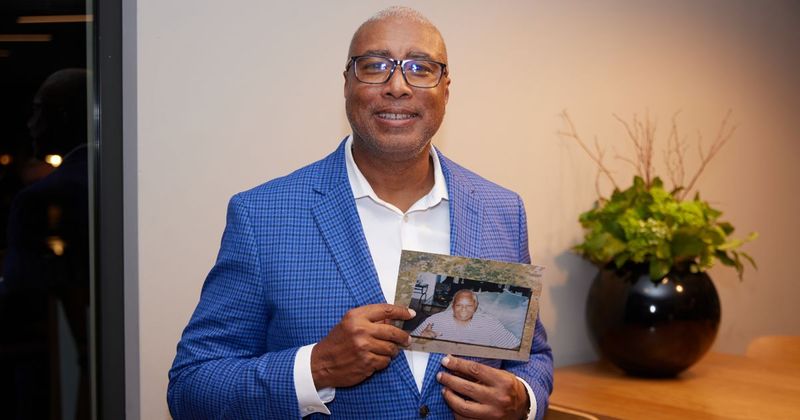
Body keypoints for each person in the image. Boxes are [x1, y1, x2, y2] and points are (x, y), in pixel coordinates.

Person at [168, 6, 553, 419]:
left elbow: (532, 356)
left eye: (420, 68)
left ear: (446, 89)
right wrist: (316, 368)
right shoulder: (262, 217)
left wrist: (523, 400)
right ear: (347, 83)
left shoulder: (501, 210)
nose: (398, 86)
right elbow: (192, 386)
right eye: (375, 66)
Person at [412, 289, 521, 349]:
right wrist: (421, 340)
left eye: (468, 306)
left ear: (476, 306)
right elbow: (409, 344)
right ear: (453, 306)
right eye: (459, 305)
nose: (463, 309)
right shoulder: (435, 320)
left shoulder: (490, 323)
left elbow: (514, 347)